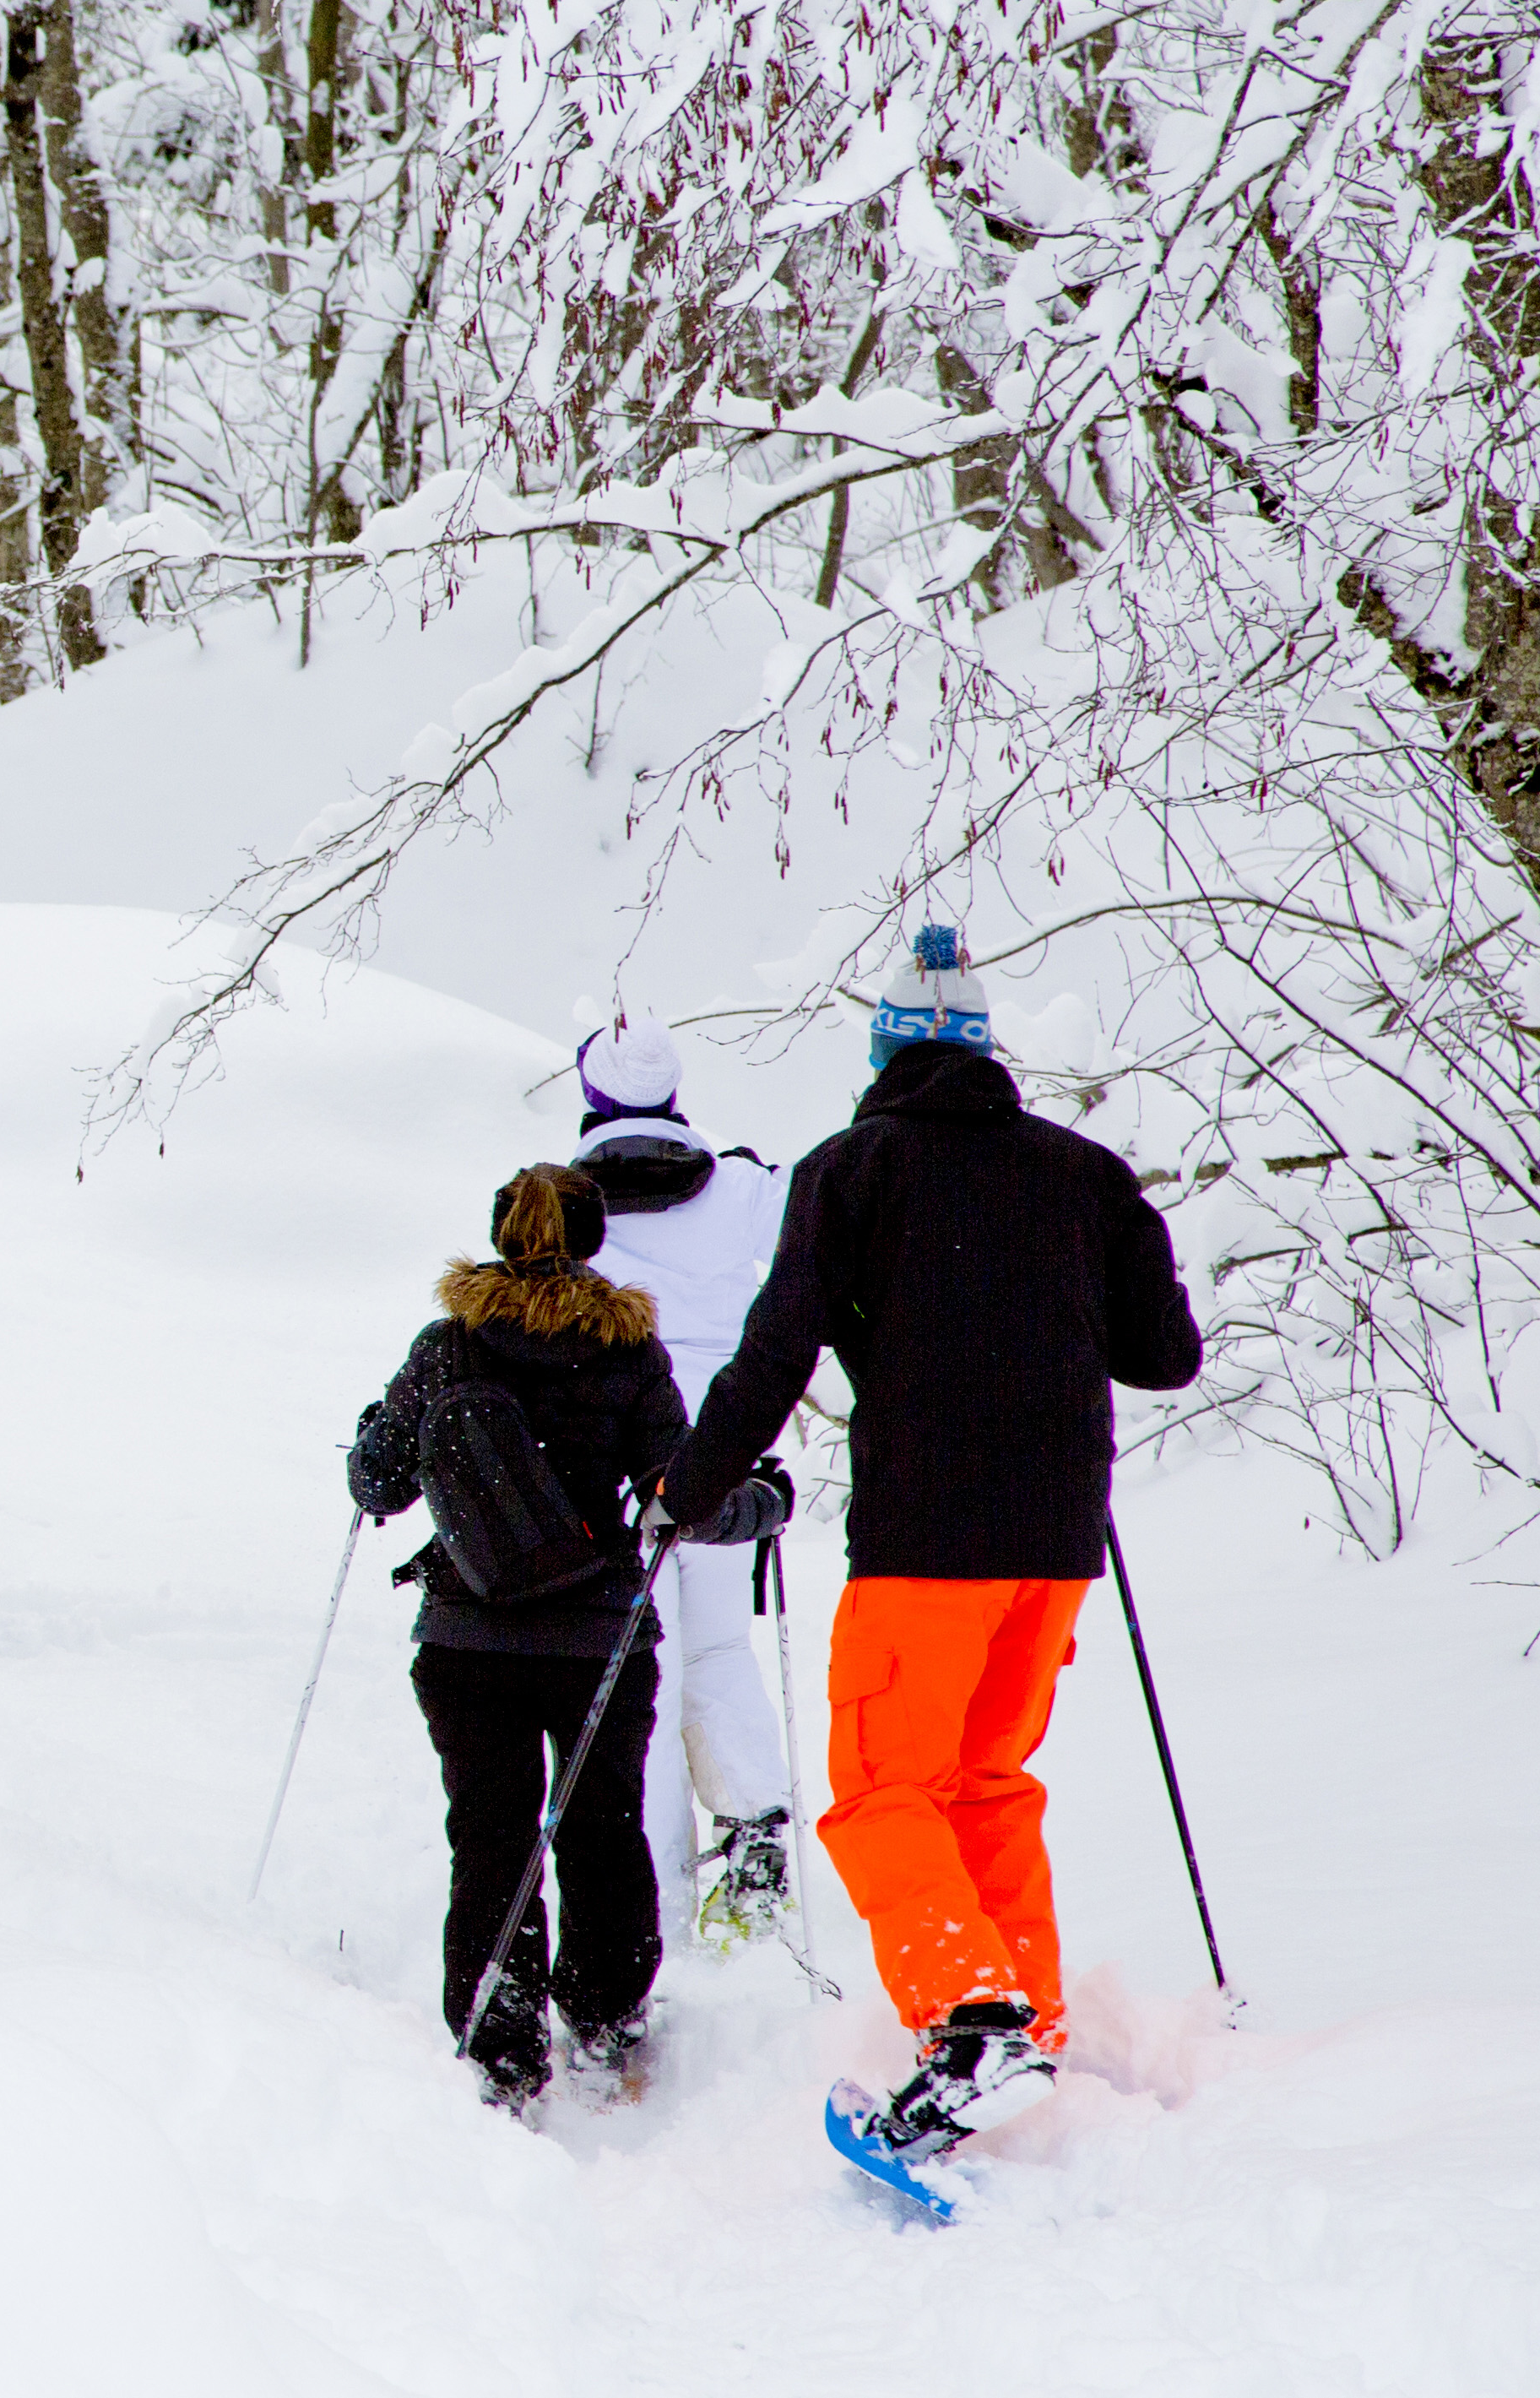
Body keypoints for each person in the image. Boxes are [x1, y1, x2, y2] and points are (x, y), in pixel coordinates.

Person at [658, 925, 1204, 2167]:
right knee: (983, 1783)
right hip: (1055, 1541)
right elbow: (1163, 1355)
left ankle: (970, 2024)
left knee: (882, 1788)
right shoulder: (1082, 1173)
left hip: (924, 1535)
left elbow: (774, 1352)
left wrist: (685, 1486)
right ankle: (1024, 2022)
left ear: (884, 1054)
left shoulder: (853, 1169)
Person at [348, 1163, 787, 2115]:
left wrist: (372, 1437)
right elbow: (680, 1501)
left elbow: (377, 1484)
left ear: (503, 1234)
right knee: (600, 1831)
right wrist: (763, 1501)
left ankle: (498, 2044)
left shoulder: (447, 1346)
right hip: (598, 1638)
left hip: (467, 1639)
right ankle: (604, 2013)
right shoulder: (628, 1352)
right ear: (591, 1240)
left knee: (491, 1837)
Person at [567, 1012, 801, 1946]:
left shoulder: (563, 1196)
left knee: (636, 1668)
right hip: (723, 1444)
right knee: (713, 1648)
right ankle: (753, 1830)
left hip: (617, 1452)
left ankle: (649, 1880)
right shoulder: (742, 1186)